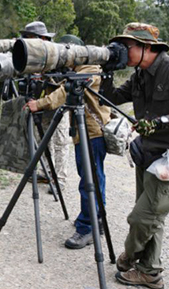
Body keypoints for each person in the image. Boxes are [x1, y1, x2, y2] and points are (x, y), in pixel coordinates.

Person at [102, 23, 169, 289]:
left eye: (127, 48)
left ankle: (131, 255)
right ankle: (150, 272)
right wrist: (105, 71)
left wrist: (161, 121)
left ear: (146, 47)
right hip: (147, 153)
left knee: (141, 218)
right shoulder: (140, 74)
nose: (123, 53)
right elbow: (113, 97)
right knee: (153, 216)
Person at [24, 34, 111, 249]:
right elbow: (60, 83)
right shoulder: (81, 69)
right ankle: (95, 218)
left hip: (93, 132)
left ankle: (87, 227)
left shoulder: (90, 69)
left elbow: (66, 91)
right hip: (87, 132)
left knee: (90, 180)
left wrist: (41, 103)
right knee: (92, 176)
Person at [20, 22, 70, 190]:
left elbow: (65, 89)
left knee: (60, 142)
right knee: (43, 141)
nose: (27, 41)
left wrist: (41, 101)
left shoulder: (60, 56)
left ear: (41, 39)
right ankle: (47, 173)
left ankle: (60, 179)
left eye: (29, 38)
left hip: (57, 104)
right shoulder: (35, 58)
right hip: (41, 105)